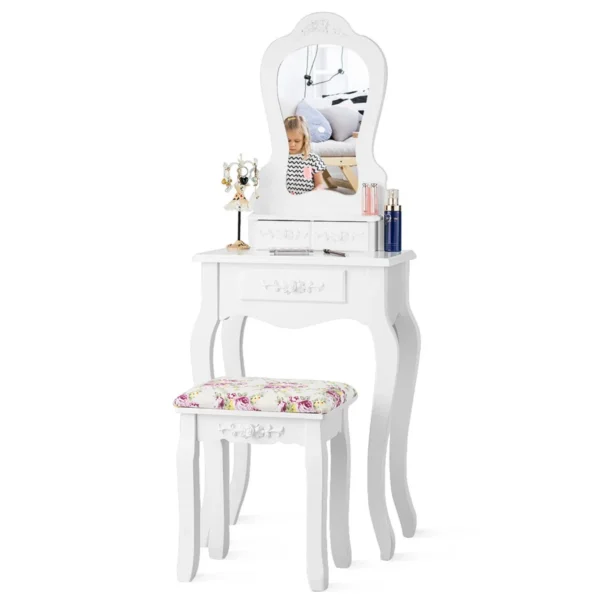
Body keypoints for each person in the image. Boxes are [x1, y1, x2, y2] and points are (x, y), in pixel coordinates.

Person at [284, 115, 327, 195]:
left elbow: (320, 184)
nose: (292, 144)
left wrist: (315, 192)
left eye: (297, 141)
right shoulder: (280, 159)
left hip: (307, 200)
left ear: (304, 139)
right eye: (288, 140)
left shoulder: (313, 159)